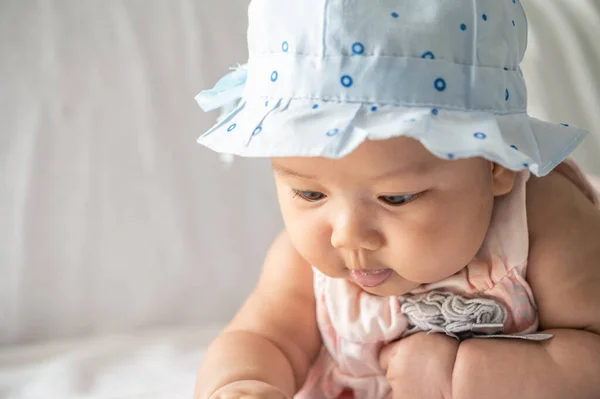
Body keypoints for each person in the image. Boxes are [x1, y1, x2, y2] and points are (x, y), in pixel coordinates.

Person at [193, 0, 600, 397]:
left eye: (396, 197)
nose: (348, 235)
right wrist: (241, 383)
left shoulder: (544, 224)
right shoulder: (302, 264)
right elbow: (263, 338)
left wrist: (461, 377)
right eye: (310, 193)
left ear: (497, 163)